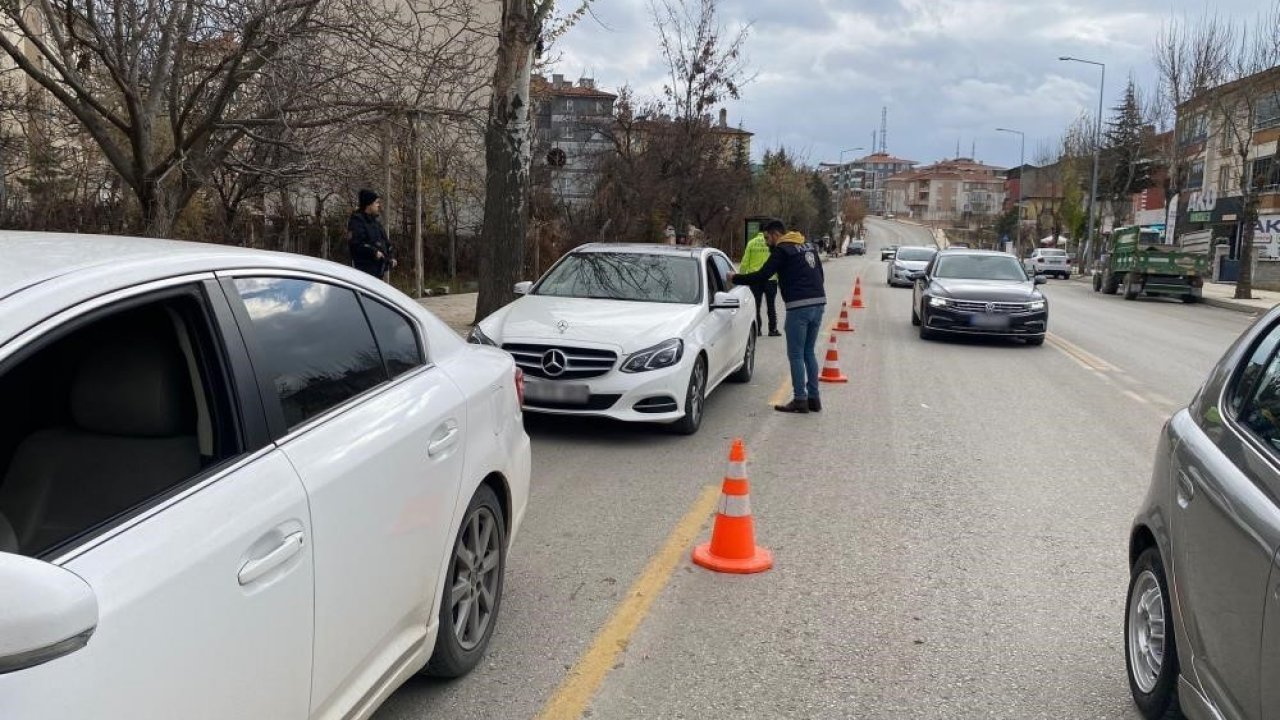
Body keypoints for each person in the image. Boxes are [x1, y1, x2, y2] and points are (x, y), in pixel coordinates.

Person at [729, 219, 826, 414]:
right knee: (809, 352)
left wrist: (735, 278)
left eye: (767, 238)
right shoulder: (807, 246)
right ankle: (814, 399)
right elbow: (820, 274)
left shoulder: (783, 250)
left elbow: (763, 275)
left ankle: (800, 399)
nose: (766, 242)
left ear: (775, 234)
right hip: (818, 303)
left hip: (798, 307)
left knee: (796, 354)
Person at [738, 228, 780, 337]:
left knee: (756, 306)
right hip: (771, 279)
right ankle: (773, 329)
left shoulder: (751, 243)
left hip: (755, 279)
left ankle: (758, 330)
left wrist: (741, 278)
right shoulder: (772, 243)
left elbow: (745, 262)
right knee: (771, 306)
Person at [348, 189, 396, 280]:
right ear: (369, 204)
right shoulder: (357, 222)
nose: (379, 205)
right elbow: (357, 244)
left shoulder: (375, 223)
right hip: (364, 273)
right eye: (376, 202)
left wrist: (391, 257)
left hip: (378, 272)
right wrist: (373, 252)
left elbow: (385, 242)